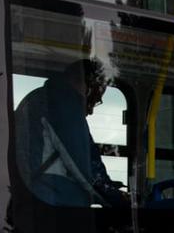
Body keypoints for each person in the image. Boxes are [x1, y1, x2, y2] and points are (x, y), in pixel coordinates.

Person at [13, 58, 126, 208]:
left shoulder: (40, 98)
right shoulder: (63, 101)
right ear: (88, 85)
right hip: (53, 205)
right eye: (93, 99)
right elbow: (87, 168)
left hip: (37, 200)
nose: (91, 110)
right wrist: (119, 200)